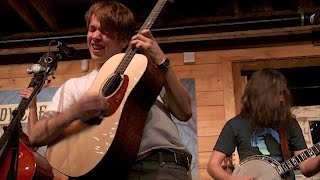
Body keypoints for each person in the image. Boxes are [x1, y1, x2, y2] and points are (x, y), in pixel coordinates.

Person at [28, 1, 192, 179]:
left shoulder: (145, 72)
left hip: (158, 165)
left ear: (123, 41)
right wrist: (75, 111)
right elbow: (36, 136)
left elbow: (184, 112)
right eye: (92, 29)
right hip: (103, 170)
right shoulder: (73, 86)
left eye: (105, 32)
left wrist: (162, 61)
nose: (95, 36)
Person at [207, 69, 320, 180]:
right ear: (262, 96)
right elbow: (213, 166)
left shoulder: (289, 124)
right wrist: (231, 179)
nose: (282, 99)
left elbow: (305, 167)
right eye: (278, 94)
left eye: (282, 94)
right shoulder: (235, 125)